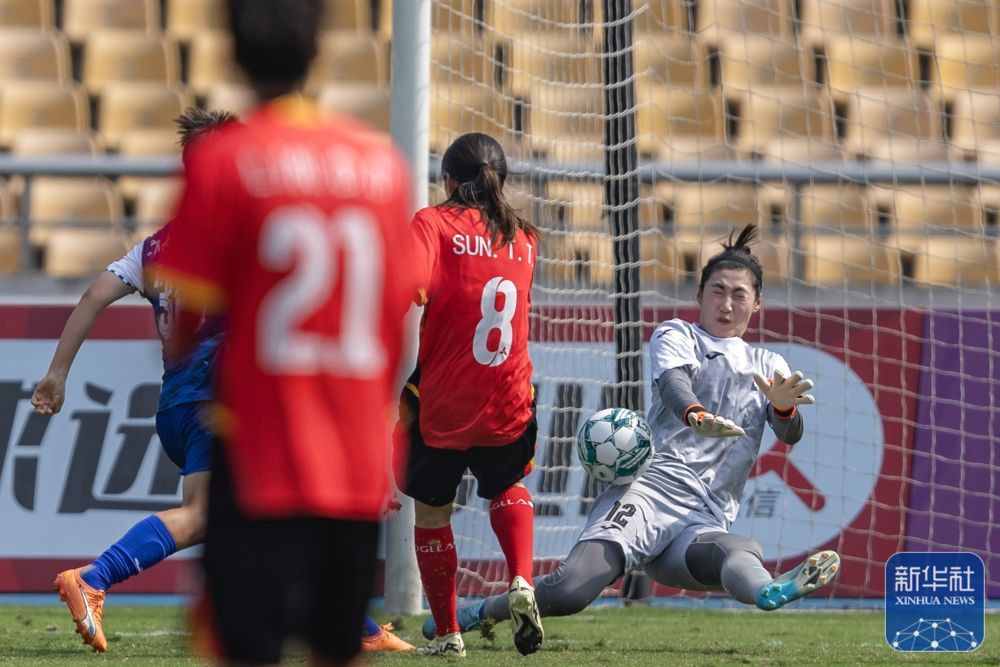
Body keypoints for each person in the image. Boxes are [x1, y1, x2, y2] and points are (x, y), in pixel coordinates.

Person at [152, 1, 417, 664]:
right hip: (356, 456)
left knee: (246, 646)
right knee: (338, 647)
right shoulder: (382, 166)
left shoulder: (228, 161)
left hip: (263, 453)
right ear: (320, 53)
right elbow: (396, 314)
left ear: (233, 57)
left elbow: (184, 319)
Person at [422, 224, 841, 639]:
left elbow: (790, 435)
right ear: (700, 295)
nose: (726, 304)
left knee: (740, 550)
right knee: (570, 591)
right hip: (646, 494)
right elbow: (675, 386)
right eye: (717, 290)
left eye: (739, 294)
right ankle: (479, 611)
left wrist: (784, 409)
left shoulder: (771, 365)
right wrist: (694, 413)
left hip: (703, 520)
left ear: (757, 303)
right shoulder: (679, 334)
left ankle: (769, 590)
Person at [33, 107, 235, 653]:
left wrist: (57, 373)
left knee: (264, 515)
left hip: (175, 407)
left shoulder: (153, 248)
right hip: (219, 402)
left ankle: (358, 630)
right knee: (210, 514)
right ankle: (95, 577)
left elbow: (95, 295)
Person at [402, 132, 543, 658]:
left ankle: (447, 633)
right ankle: (523, 580)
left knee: (433, 510)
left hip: (445, 400)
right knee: (506, 483)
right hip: (508, 392)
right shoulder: (527, 236)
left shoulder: (433, 223)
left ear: (447, 181)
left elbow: (407, 290)